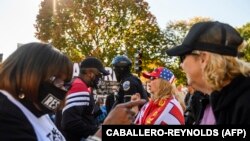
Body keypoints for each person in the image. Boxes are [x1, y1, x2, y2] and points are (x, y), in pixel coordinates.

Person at [166, 21, 250, 124]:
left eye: (182, 57)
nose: (181, 65)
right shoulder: (203, 100)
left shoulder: (245, 102)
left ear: (203, 59)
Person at [0, 42, 73, 141]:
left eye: (65, 83)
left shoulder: (36, 108)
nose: (62, 88)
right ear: (28, 74)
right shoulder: (6, 118)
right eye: (57, 79)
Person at [61, 57, 110, 141]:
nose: (100, 78)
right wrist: (99, 132)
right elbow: (70, 123)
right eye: (99, 75)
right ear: (89, 73)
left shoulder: (79, 84)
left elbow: (86, 116)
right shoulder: (79, 86)